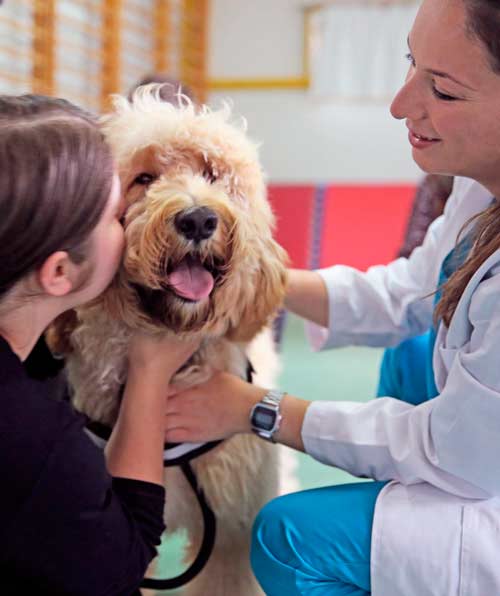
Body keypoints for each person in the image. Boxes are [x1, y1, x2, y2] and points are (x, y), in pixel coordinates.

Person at [162, 0, 500, 594]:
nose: (399, 105)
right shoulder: (479, 184)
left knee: (286, 537)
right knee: (411, 355)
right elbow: (411, 291)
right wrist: (263, 276)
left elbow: (455, 452)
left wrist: (258, 408)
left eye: (443, 90)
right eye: (411, 64)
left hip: (482, 481)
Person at [0, 95, 198, 595]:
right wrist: (150, 373)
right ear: (60, 272)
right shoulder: (29, 433)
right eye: (116, 214)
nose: (130, 222)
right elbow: (119, 567)